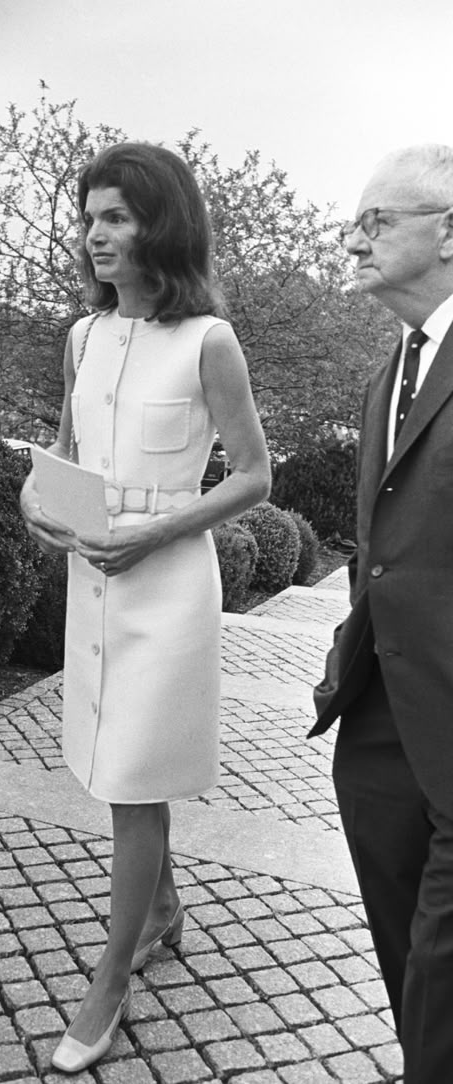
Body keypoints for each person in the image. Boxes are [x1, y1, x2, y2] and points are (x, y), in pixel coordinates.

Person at [20, 143, 270, 1073]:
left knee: (131, 782)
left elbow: (254, 475)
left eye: (117, 215)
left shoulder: (210, 340)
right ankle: (163, 912)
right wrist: (35, 503)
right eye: (89, 216)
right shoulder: (83, 338)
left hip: (166, 590)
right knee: (115, 766)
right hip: (93, 577)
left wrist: (155, 533)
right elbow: (62, 450)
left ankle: (111, 980)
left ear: (162, 223)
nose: (95, 234)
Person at [311, 144, 453, 1083]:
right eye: (353, 221)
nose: (353, 239)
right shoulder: (388, 371)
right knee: (406, 954)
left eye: (376, 222)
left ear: (447, 231)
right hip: (381, 719)